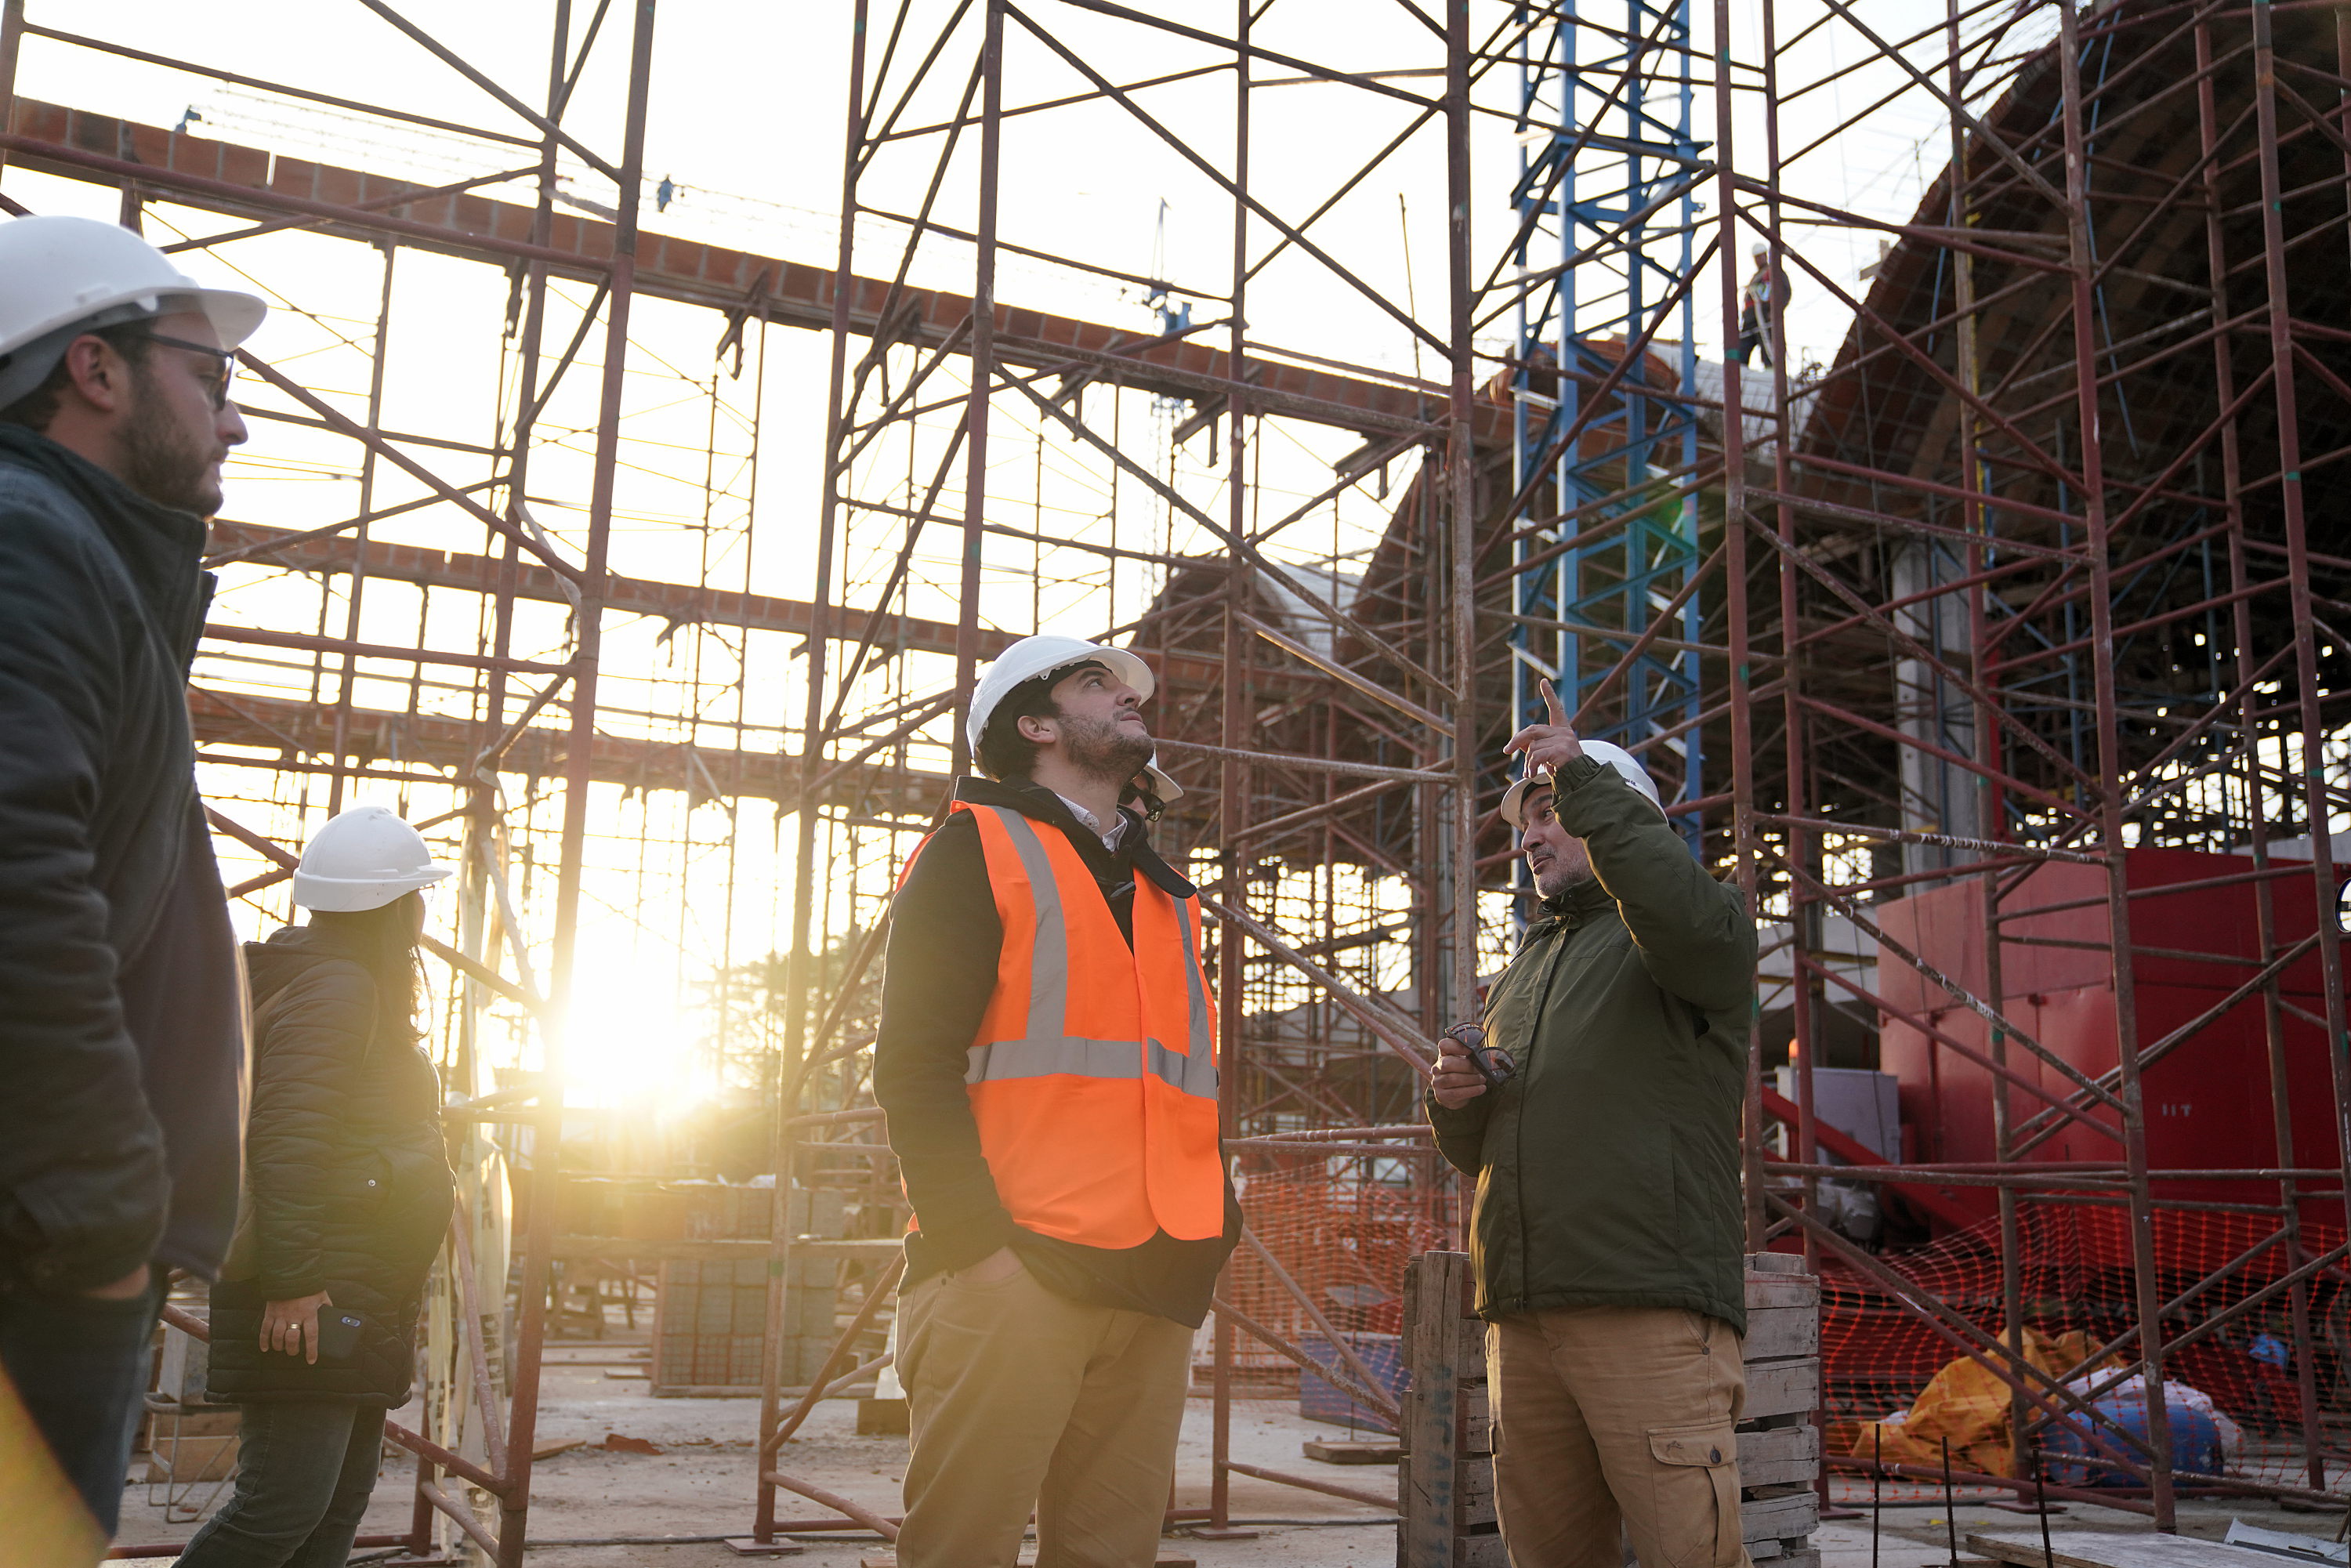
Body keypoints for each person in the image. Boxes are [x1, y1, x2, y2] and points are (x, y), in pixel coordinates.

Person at [0, 213, 264, 1533]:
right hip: (40, 1251)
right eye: (208, 379)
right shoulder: (27, 542)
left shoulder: (76, 558)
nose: (235, 425)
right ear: (93, 370)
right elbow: (14, 883)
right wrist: (103, 1213)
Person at [875, 635, 1237, 1568]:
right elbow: (913, 1069)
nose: (1127, 695)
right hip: (1017, 1270)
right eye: (1095, 684)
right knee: (963, 1552)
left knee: (1113, 1556)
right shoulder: (972, 851)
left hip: (1154, 1280)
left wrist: (1209, 1236)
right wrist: (978, 1249)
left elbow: (1177, 1083)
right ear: (1034, 724)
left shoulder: (1158, 889)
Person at [1427, 679, 1759, 1568]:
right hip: (1525, 1320)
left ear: (1618, 814)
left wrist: (1583, 777)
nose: (1528, 835)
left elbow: (1677, 907)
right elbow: (1490, 1149)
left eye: (1549, 812)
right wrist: (1457, 1103)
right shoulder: (1529, 968)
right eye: (1523, 822)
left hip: (1644, 1307)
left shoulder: (1693, 932)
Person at [182, 806, 458, 1566]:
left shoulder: (339, 983)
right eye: (418, 897)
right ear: (398, 907)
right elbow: (288, 1141)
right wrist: (297, 1283)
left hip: (358, 1294)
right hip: (316, 1300)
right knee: (280, 1507)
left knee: (334, 1509)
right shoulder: (337, 991)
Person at [1736, 241, 1788, 368]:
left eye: (1761, 256)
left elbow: (1786, 292)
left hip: (1765, 318)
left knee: (1768, 350)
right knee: (1742, 348)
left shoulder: (1774, 272)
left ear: (1766, 255)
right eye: (1756, 257)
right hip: (1750, 320)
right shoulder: (1755, 278)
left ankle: (1771, 377)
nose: (1759, 260)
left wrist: (1775, 312)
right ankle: (1739, 374)